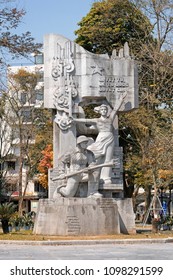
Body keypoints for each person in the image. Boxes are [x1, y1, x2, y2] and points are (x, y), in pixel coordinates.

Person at [73, 93, 126, 183]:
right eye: (102, 109)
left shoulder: (110, 118)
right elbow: (85, 120)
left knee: (108, 158)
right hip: (101, 138)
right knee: (93, 153)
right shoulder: (97, 120)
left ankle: (106, 177)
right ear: (99, 111)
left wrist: (121, 100)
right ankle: (89, 172)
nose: (104, 111)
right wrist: (74, 120)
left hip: (110, 138)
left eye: (105, 109)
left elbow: (115, 110)